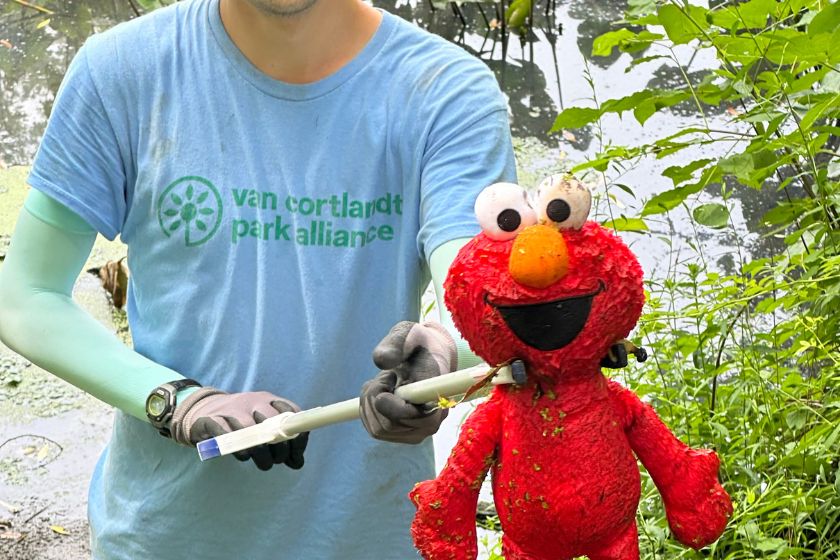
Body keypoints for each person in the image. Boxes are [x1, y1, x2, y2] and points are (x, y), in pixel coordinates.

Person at [0, 0, 517, 558]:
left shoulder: (445, 91)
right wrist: (179, 403)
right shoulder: (122, 72)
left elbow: (481, 298)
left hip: (370, 536)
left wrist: (437, 355)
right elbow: (27, 296)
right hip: (162, 537)